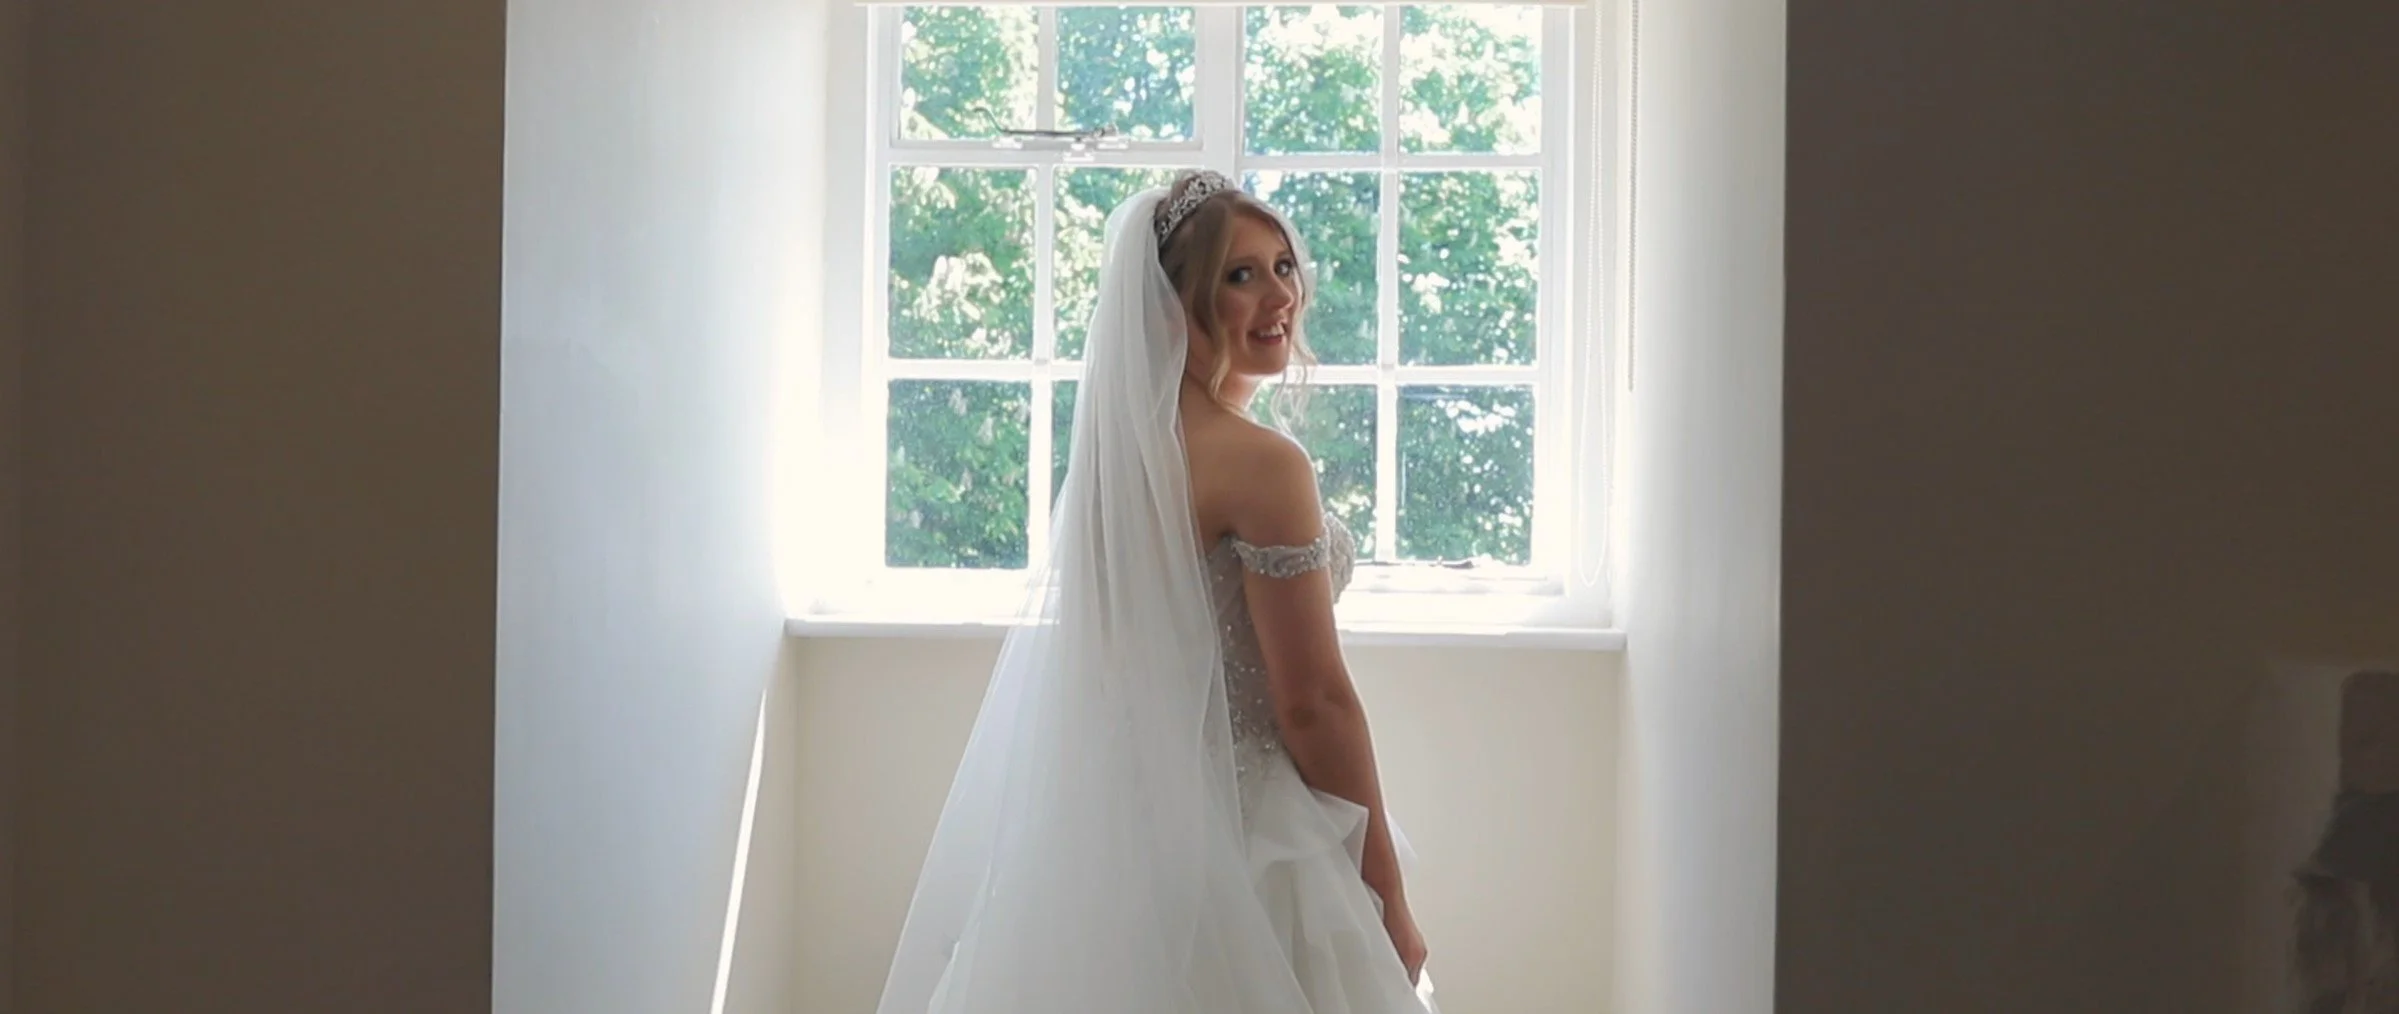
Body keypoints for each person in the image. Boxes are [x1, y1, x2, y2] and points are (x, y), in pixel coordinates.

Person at [874, 170, 1438, 1014]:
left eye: (1282, 265)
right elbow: (1312, 703)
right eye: (1238, 276)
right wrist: (1386, 894)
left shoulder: (1121, 458)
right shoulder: (1262, 464)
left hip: (1120, 837)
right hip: (1254, 840)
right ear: (1172, 304)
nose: (1277, 294)